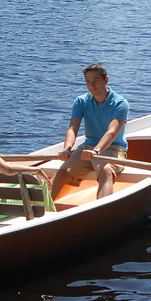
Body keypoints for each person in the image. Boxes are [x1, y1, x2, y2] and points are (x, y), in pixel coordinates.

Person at [51, 62, 129, 200]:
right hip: (87, 148)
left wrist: (96, 151)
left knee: (106, 172)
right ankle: (42, 212)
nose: (91, 85)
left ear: (106, 80)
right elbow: (72, 128)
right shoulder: (81, 101)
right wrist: (67, 149)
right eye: (88, 82)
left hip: (113, 148)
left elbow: (111, 132)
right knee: (62, 172)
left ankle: (102, 211)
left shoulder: (120, 103)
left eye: (96, 81)